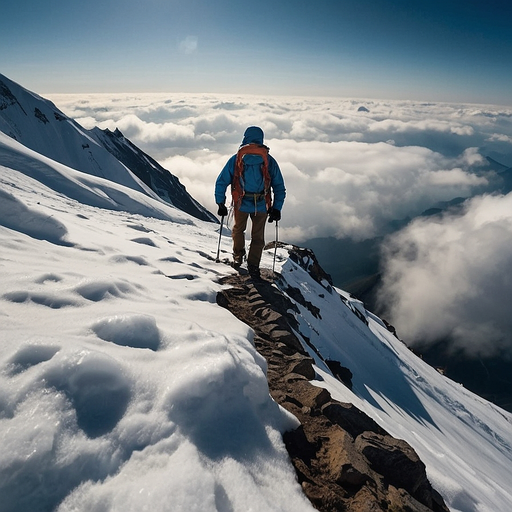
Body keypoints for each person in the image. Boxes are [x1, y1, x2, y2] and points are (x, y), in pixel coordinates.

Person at [215, 126, 286, 277]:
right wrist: (277, 208)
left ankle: (238, 257)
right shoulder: (269, 160)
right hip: (261, 203)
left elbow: (221, 181)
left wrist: (220, 203)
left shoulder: (236, 159)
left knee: (238, 230)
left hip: (241, 202)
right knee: (258, 236)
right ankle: (253, 265)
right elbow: (279, 187)